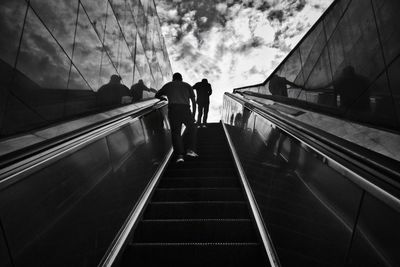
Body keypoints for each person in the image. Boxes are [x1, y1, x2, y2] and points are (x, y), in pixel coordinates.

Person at [155, 72, 198, 163]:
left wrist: (163, 97)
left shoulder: (168, 85)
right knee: (192, 128)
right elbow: (194, 102)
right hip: (185, 109)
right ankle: (190, 150)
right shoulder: (187, 85)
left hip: (173, 110)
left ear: (173, 79)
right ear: (181, 78)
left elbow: (157, 95)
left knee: (176, 133)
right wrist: (193, 115)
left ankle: (179, 155)